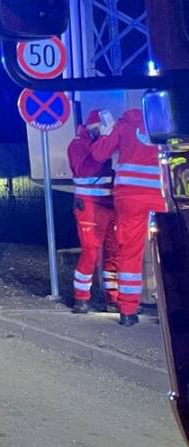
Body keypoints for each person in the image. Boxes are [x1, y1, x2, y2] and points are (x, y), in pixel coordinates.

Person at [92, 108, 167, 326]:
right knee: (169, 251)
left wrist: (106, 133)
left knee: (130, 251)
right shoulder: (162, 122)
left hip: (129, 198)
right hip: (159, 196)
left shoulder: (123, 125)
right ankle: (169, 307)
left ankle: (127, 311)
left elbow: (99, 154)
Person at [68, 110, 116, 314]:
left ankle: (113, 299)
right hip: (89, 205)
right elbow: (86, 168)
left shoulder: (104, 143)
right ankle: (81, 298)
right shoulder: (77, 145)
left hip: (111, 204)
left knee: (115, 253)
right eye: (98, 129)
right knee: (91, 250)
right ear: (90, 127)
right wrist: (105, 144)